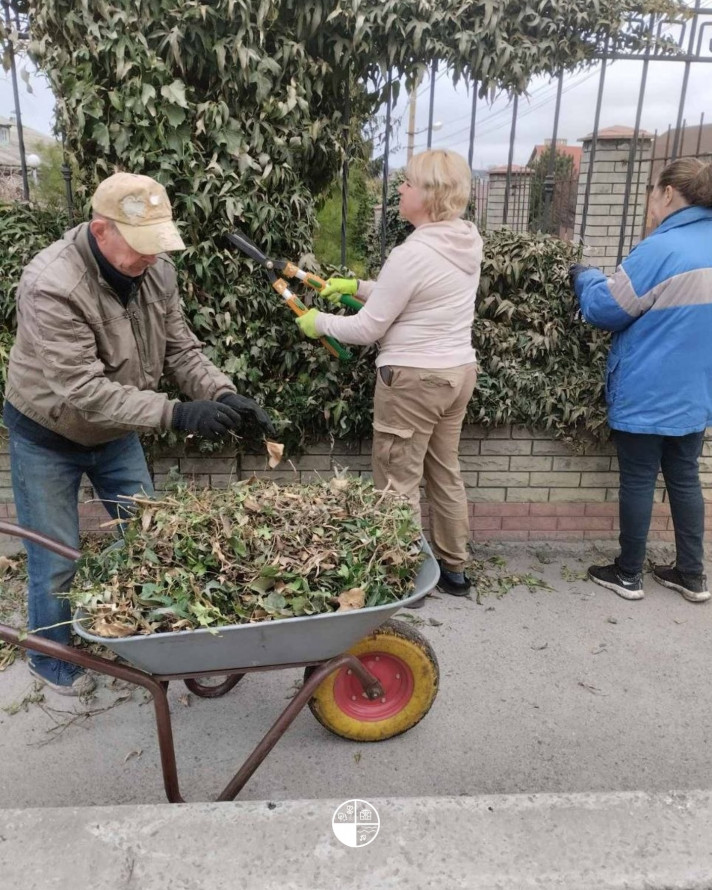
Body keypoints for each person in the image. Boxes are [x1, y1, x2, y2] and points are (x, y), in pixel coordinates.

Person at [4, 171, 276, 694]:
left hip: (115, 432)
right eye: (141, 244)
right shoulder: (51, 285)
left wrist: (223, 394)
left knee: (151, 536)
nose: (151, 255)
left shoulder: (156, 271)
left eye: (157, 242)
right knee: (56, 556)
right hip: (47, 433)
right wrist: (178, 414)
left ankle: (163, 638)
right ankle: (49, 657)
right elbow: (83, 390)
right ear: (100, 230)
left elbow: (181, 348)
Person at [296, 149, 482, 606]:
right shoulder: (464, 240)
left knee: (398, 480)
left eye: (409, 183)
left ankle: (404, 579)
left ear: (430, 194)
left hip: (415, 380)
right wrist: (357, 287)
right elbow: (414, 296)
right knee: (444, 472)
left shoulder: (412, 253)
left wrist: (318, 323)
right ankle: (454, 570)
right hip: (457, 373)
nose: (400, 188)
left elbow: (368, 328)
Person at [571, 157, 712, 604]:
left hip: (648, 390)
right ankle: (692, 575)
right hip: (696, 392)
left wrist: (586, 278)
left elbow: (606, 309)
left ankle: (628, 574)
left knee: (637, 479)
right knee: (684, 477)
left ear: (667, 193)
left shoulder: (661, 250)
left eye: (652, 191)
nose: (650, 201)